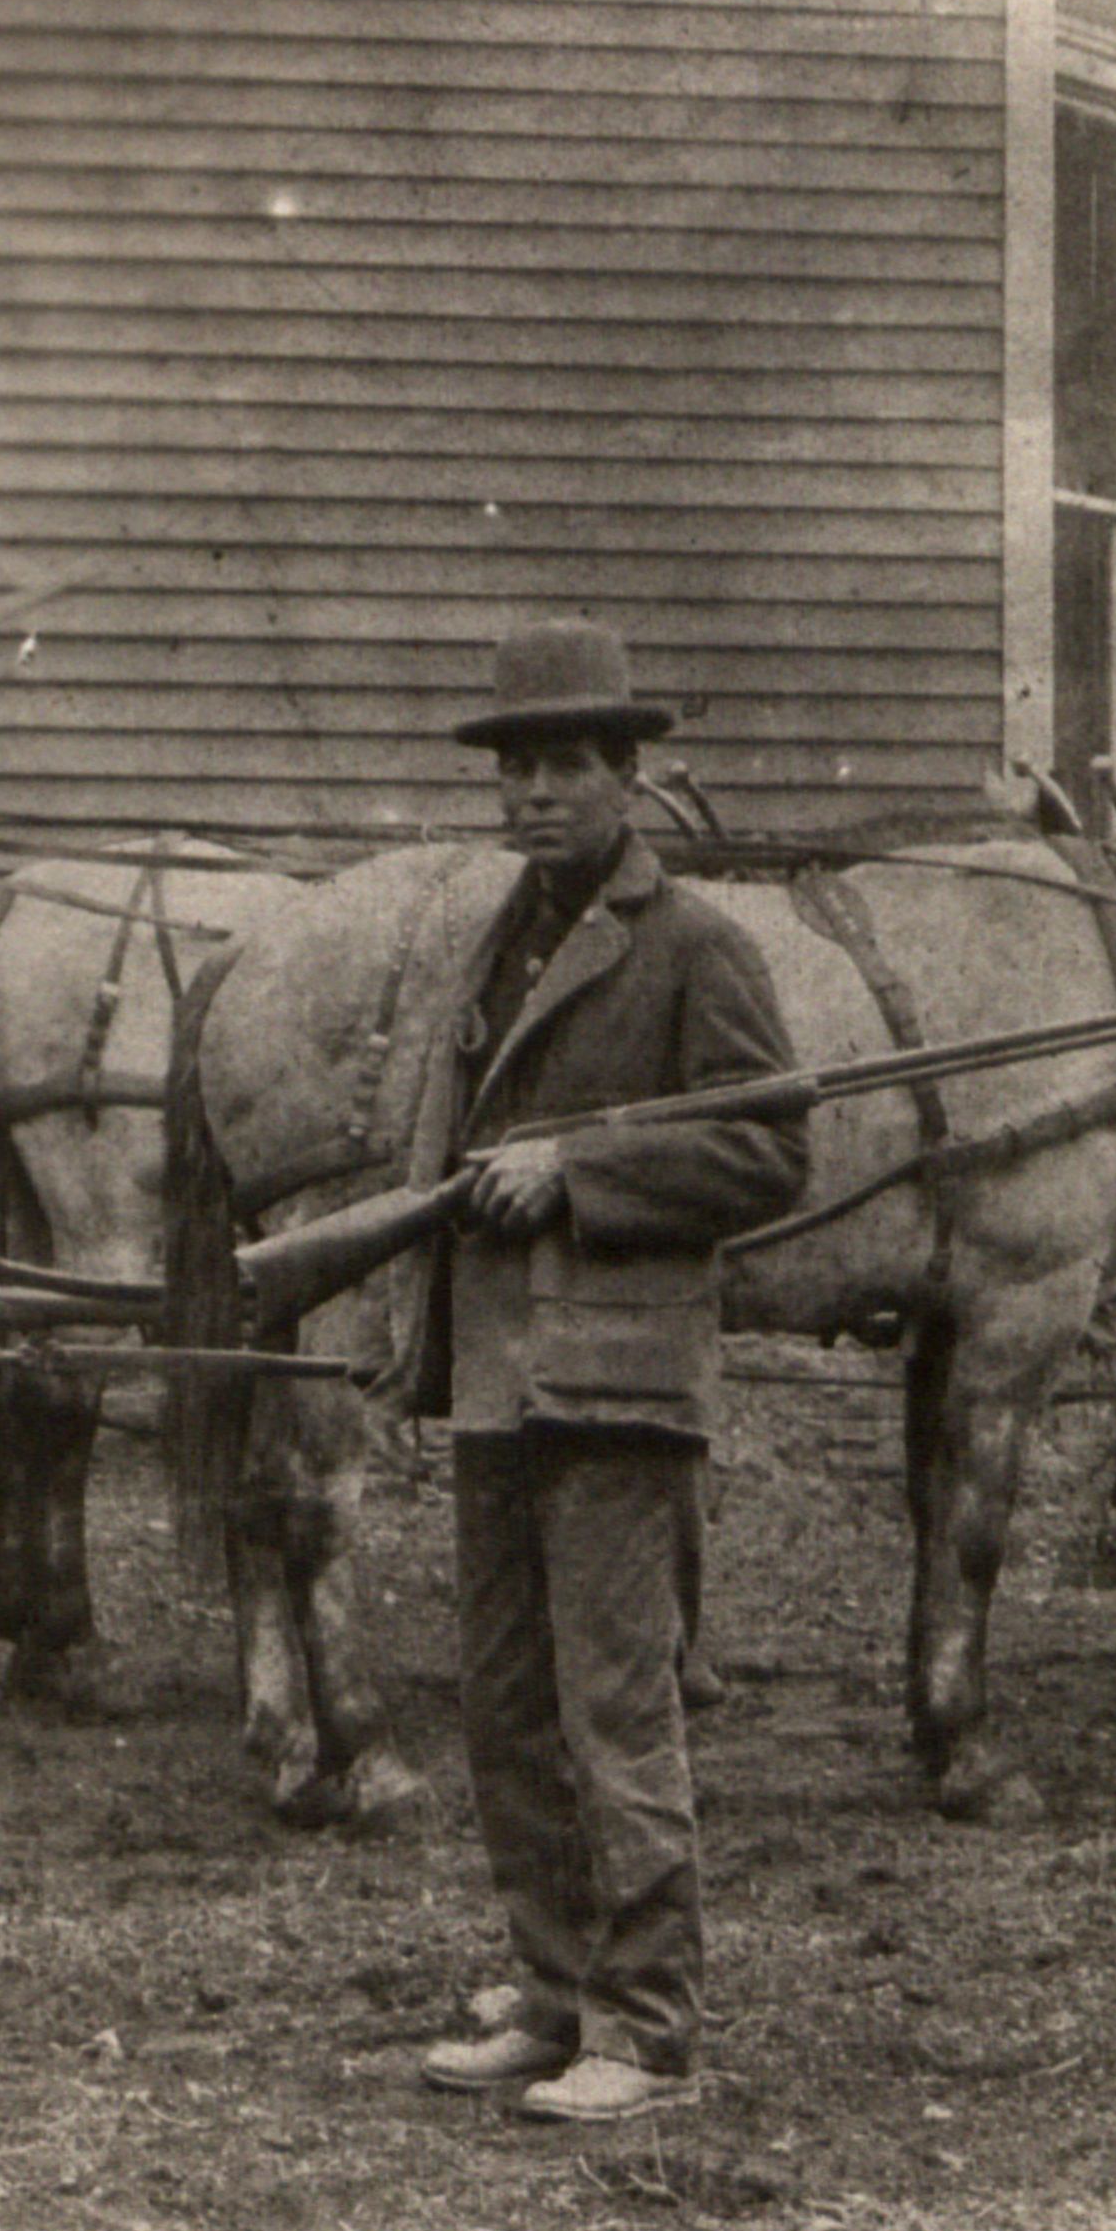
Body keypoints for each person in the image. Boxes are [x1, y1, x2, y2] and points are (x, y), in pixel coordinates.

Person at [397, 620, 805, 2124]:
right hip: (499, 1371)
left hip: (622, 1381)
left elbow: (769, 1147)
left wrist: (579, 1169)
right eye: (513, 767)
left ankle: (644, 2027)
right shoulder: (488, 935)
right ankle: (554, 1987)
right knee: (505, 1704)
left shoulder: (699, 946)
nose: (532, 794)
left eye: (565, 764)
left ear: (629, 776)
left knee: (616, 1709)